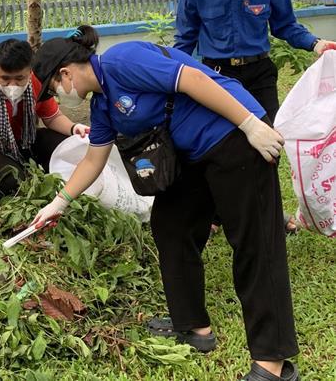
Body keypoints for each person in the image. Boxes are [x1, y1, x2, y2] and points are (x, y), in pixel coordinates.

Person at [30, 26, 299, 381]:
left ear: (64, 73)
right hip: (192, 156)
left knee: (254, 242)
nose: (60, 95)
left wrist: (250, 123)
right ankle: (193, 326)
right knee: (171, 225)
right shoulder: (104, 103)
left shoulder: (122, 60)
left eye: (54, 88)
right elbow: (93, 160)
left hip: (235, 138)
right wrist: (58, 204)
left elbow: (192, 80)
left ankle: (273, 362)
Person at [175, 0, 336, 233]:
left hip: (259, 74)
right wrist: (169, 77)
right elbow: (184, 41)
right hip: (216, 77)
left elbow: (286, 26)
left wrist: (316, 44)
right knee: (215, 148)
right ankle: (215, 216)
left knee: (268, 148)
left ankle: (270, 218)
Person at [0, 38, 89, 208]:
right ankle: (2, 184)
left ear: (30, 72)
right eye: (5, 78)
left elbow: (52, 118)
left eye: (19, 78)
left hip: (26, 142)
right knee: (17, 181)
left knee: (68, 147)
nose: (12, 85)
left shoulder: (37, 86)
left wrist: (74, 128)